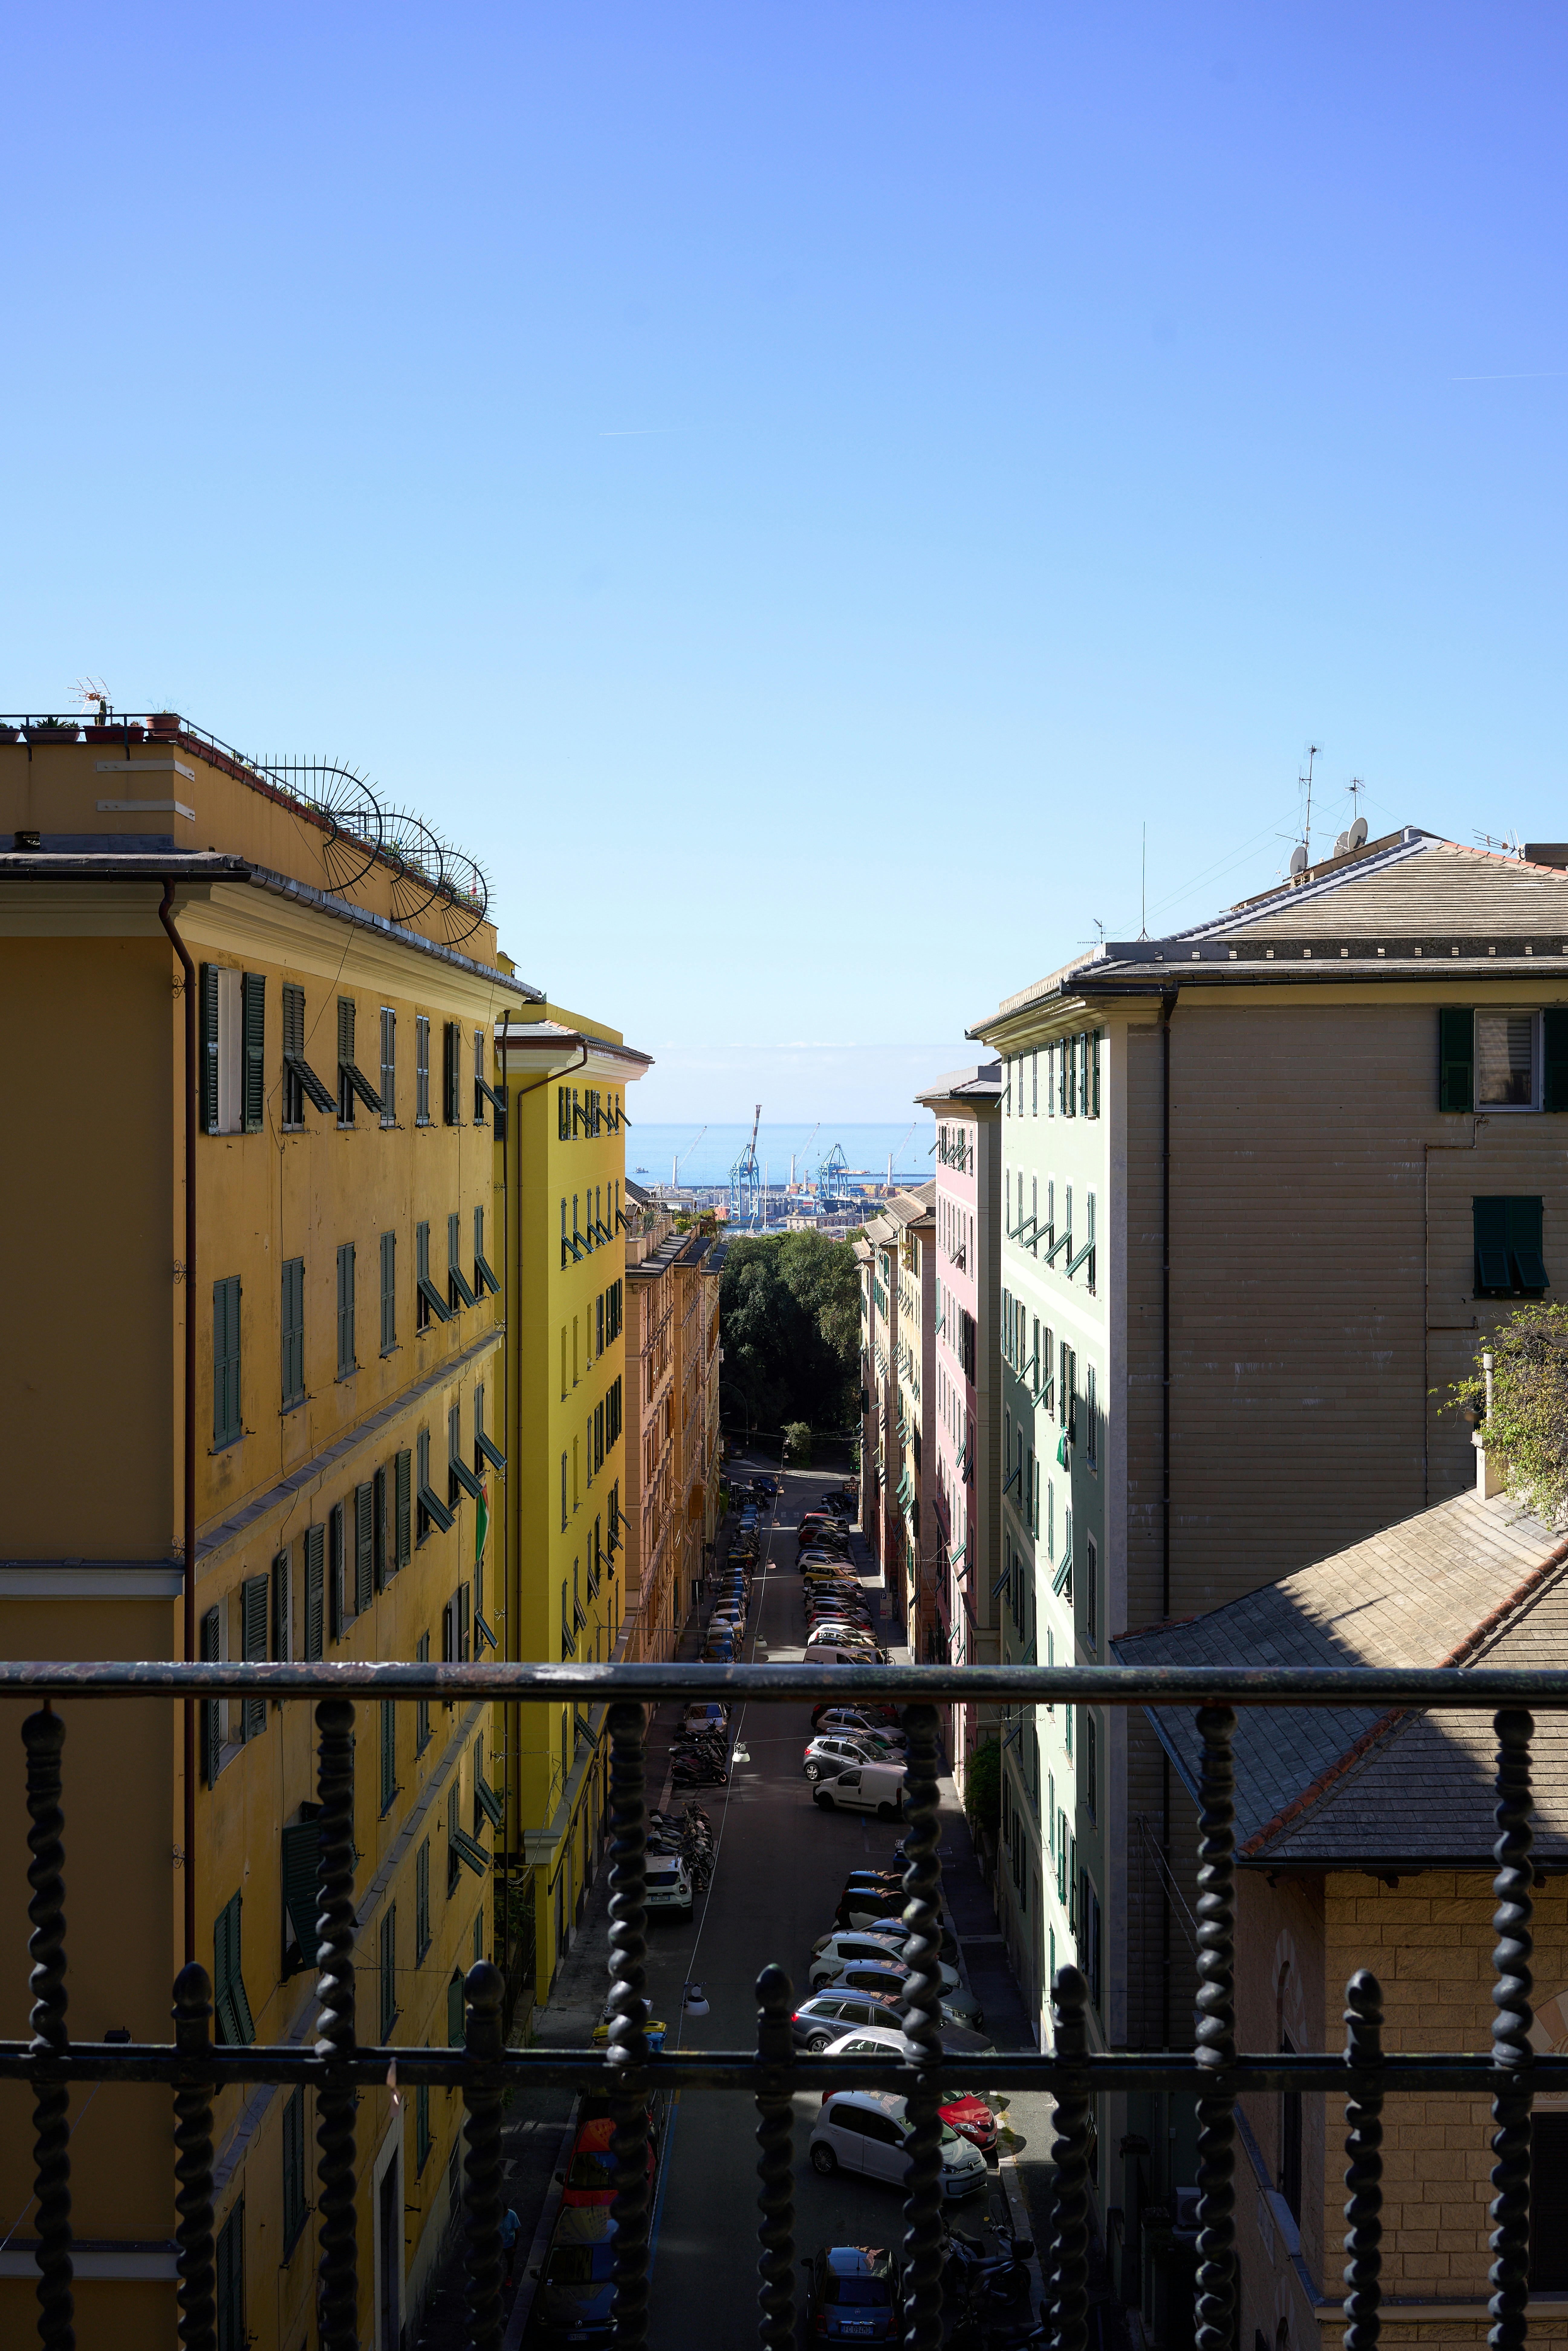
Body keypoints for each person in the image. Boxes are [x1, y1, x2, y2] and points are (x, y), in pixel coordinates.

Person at [500, 2205, 521, 2291]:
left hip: (509, 2244)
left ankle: (509, 2277)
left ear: (507, 2211)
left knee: (510, 2261)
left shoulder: (513, 2215)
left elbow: (517, 2231)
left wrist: (514, 2246)